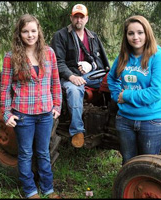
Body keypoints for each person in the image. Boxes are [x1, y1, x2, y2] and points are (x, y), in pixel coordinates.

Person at [0, 14, 62, 199]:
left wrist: (57, 105)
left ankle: (48, 188)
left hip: (45, 114)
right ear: (19, 33)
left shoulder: (49, 53)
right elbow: (5, 88)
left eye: (33, 31)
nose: (30, 35)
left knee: (43, 152)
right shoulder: (11, 57)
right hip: (23, 114)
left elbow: (56, 82)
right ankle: (30, 190)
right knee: (26, 153)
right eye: (25, 31)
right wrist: (6, 113)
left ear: (38, 32)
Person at [107, 15, 161, 165]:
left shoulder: (158, 57)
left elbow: (156, 92)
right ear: (126, 35)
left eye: (140, 32)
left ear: (147, 33)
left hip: (152, 121)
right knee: (128, 161)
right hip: (125, 119)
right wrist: (117, 96)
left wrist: (127, 95)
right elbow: (112, 78)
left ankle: (143, 189)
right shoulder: (124, 56)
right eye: (131, 33)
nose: (135, 37)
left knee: (147, 165)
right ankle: (126, 188)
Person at [51, 4, 110, 148]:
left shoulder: (93, 37)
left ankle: (114, 122)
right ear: (71, 18)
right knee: (74, 90)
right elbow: (57, 62)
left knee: (112, 83)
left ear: (86, 19)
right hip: (68, 76)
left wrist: (91, 66)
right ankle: (77, 131)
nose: (79, 20)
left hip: (92, 75)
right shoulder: (61, 36)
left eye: (81, 17)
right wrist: (71, 76)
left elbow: (101, 61)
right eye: (76, 17)